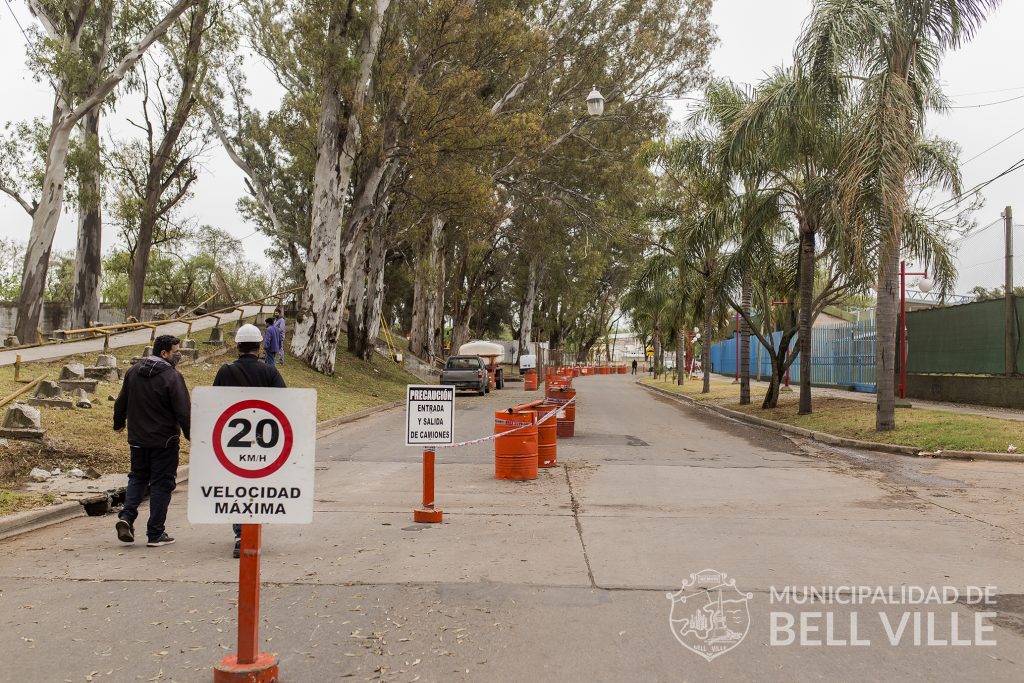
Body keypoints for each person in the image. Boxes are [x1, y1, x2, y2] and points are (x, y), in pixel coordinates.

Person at [214, 323, 286, 558]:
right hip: (265, 441)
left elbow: (215, 405)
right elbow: (285, 405)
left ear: (238, 347)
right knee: (258, 486)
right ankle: (250, 531)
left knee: (238, 485)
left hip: (232, 442)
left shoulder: (225, 371)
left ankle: (240, 533)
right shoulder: (270, 373)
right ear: (259, 347)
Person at [113, 334, 190, 548]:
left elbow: (121, 401)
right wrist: (192, 436)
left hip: (137, 439)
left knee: (137, 478)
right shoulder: (172, 377)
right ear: (164, 353)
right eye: (176, 351)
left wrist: (118, 423)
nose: (179, 355)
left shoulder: (133, 372)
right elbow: (183, 411)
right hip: (165, 441)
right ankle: (155, 533)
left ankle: (126, 517)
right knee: (161, 484)